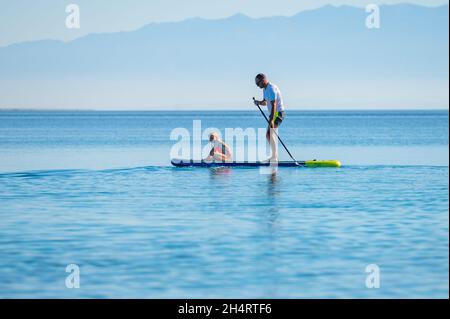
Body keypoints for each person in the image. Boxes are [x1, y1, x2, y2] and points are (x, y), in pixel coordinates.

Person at [253, 73, 285, 161]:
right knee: (269, 134)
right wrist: (258, 102)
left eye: (258, 83)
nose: (257, 86)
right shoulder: (265, 89)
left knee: (269, 133)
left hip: (278, 114)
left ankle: (274, 156)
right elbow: (265, 102)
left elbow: (274, 105)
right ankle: (274, 156)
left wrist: (271, 119)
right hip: (274, 114)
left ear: (263, 80)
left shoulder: (271, 89)